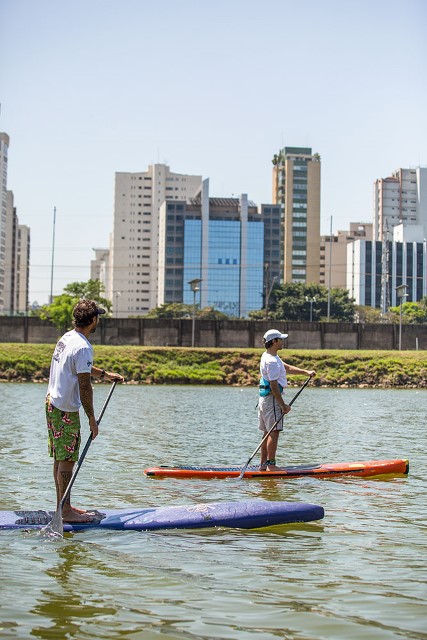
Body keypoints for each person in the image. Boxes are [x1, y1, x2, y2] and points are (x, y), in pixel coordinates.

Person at [45, 299, 124, 522]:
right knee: (68, 459)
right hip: (65, 409)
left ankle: (62, 505)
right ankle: (66, 511)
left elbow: (82, 368)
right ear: (92, 320)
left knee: (61, 458)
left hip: (52, 403)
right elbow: (83, 384)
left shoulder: (67, 337)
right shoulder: (83, 346)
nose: (98, 319)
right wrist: (92, 418)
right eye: (97, 316)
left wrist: (105, 375)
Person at [258, 329, 315, 471]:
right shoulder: (271, 361)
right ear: (274, 341)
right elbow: (273, 385)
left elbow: (287, 368)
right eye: (280, 339)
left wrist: (305, 372)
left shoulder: (269, 356)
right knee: (274, 432)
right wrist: (283, 405)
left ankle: (262, 465)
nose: (283, 341)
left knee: (267, 432)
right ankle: (271, 466)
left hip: (265, 400)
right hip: (272, 400)